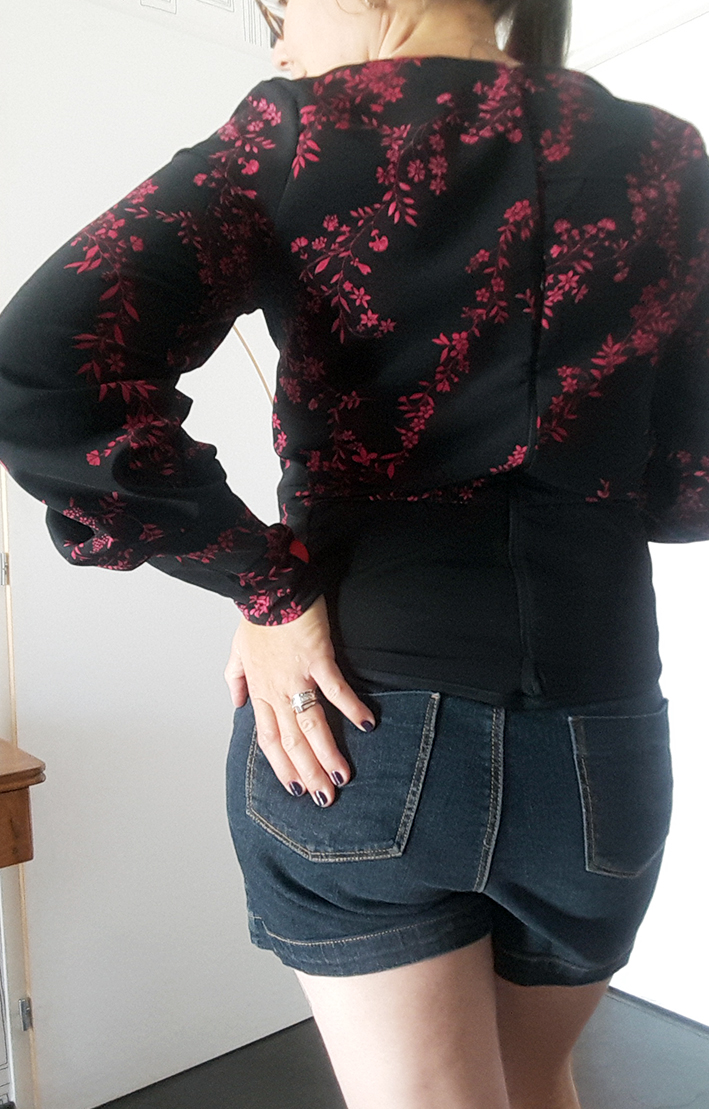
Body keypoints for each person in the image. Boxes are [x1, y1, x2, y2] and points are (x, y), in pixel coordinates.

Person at [0, 0, 707, 1105]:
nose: (280, 43)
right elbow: (688, 480)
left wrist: (265, 586)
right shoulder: (665, 156)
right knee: (538, 1081)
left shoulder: (302, 129)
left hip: (361, 717)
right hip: (600, 726)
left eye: (279, 12)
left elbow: (41, 372)